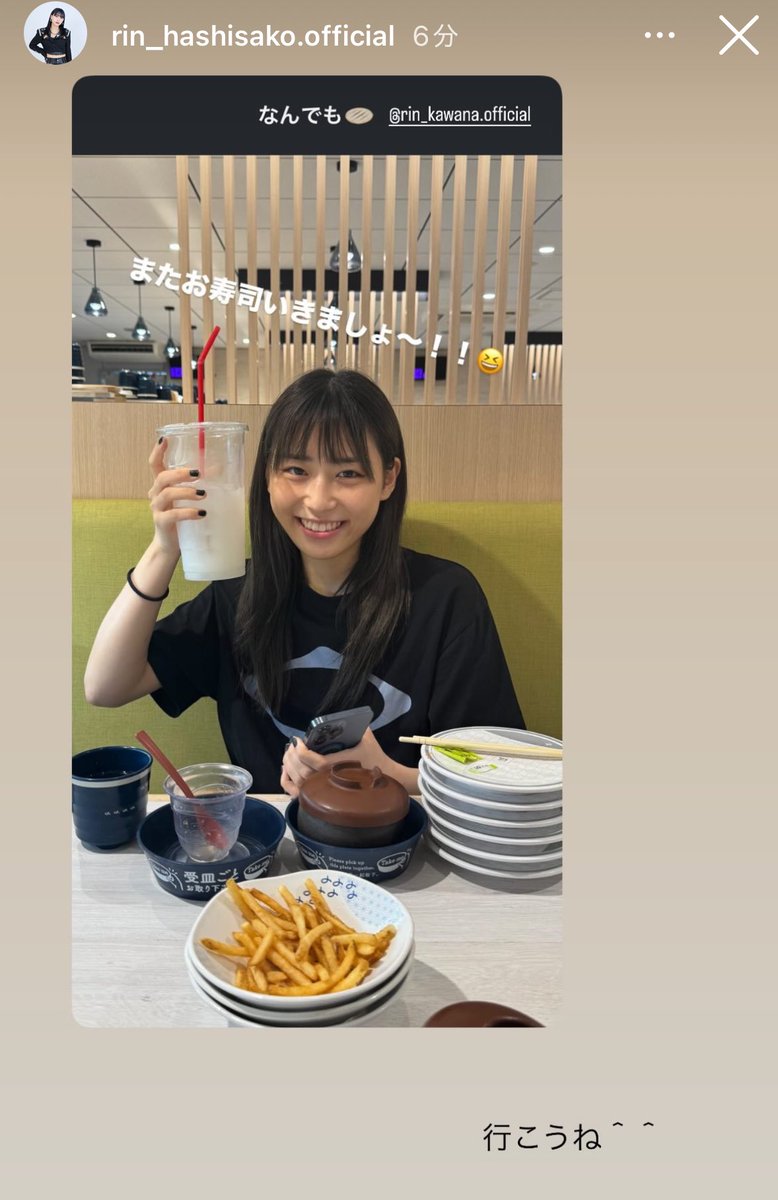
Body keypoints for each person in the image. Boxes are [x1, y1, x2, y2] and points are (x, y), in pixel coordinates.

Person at [85, 369, 524, 795]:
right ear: (267, 476)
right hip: (270, 838)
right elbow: (106, 687)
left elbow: (497, 771)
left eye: (348, 473)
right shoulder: (238, 595)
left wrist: (389, 775)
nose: (318, 500)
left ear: (388, 479)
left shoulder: (444, 598)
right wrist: (165, 547)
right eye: (296, 470)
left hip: (402, 834)